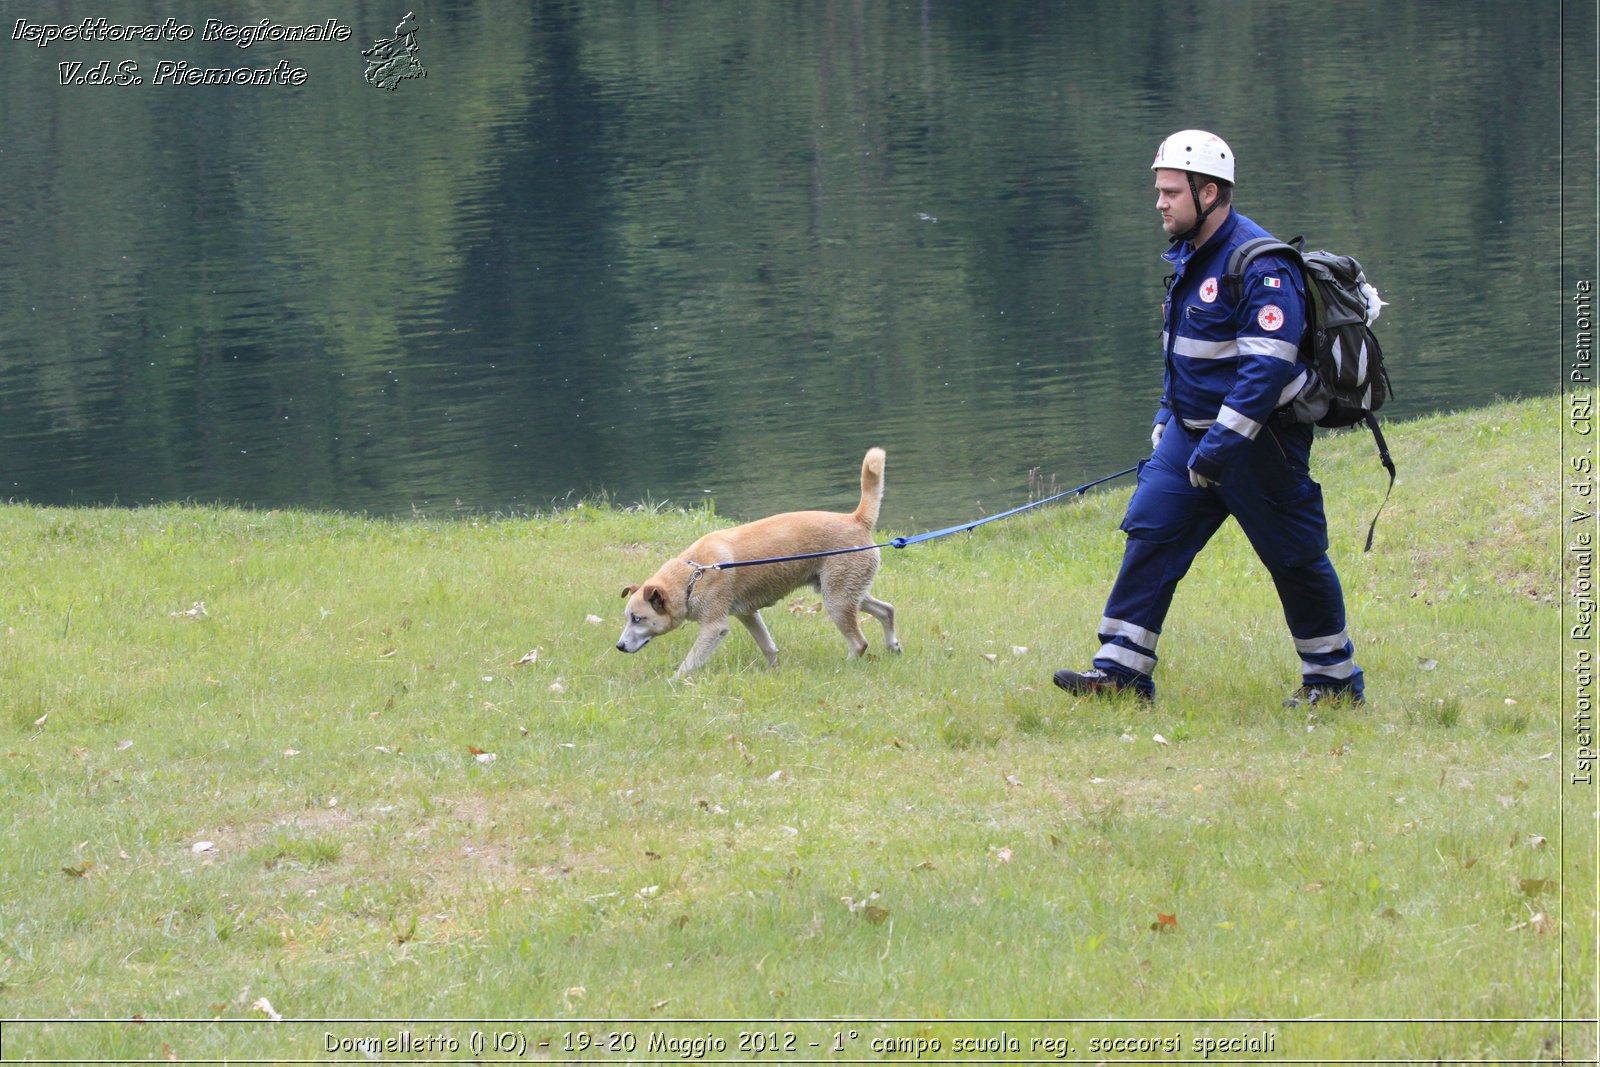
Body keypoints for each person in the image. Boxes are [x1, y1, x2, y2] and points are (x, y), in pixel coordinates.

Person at [1053, 130, 1364, 706]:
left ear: (1211, 193)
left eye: (1171, 192)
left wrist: (1220, 445)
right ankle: (1120, 674)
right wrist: (1167, 416)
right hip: (1188, 440)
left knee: (1294, 558)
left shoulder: (1262, 264)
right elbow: (1187, 354)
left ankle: (1334, 681)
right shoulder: (1191, 256)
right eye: (1159, 191)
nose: (1160, 203)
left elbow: (1266, 369)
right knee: (1149, 533)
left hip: (1258, 446)